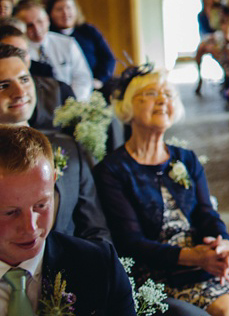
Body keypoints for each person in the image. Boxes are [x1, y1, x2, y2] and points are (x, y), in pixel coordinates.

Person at [94, 65, 229, 315]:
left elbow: (207, 213)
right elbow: (131, 242)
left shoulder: (185, 158)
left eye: (168, 95)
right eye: (150, 94)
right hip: (160, 270)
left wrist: (222, 244)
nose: (162, 100)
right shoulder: (113, 169)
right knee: (228, 308)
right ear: (128, 106)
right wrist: (193, 257)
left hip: (206, 261)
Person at [0, 125, 136, 316]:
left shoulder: (99, 266)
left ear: (53, 182)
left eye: (41, 206)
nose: (30, 227)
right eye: (11, 212)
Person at [0, 43, 112, 243]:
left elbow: (95, 230)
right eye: (3, 85)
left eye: (24, 80)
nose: (19, 92)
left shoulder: (68, 148)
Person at [14, 0, 93, 100]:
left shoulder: (67, 43)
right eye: (29, 25)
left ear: (47, 20)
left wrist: (74, 105)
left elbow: (82, 77)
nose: (36, 29)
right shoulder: (19, 51)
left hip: (72, 102)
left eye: (40, 21)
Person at [46, 0, 116, 91]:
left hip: (95, 86)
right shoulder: (48, 38)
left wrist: (99, 80)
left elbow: (108, 58)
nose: (65, 13)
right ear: (50, 14)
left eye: (69, 8)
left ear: (76, 10)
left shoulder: (88, 30)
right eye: (59, 9)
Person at [194, 0, 222, 96]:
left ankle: (226, 75)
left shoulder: (220, 9)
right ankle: (200, 79)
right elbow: (203, 32)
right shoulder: (201, 14)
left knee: (214, 49)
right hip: (207, 39)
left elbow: (222, 29)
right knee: (200, 49)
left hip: (219, 39)